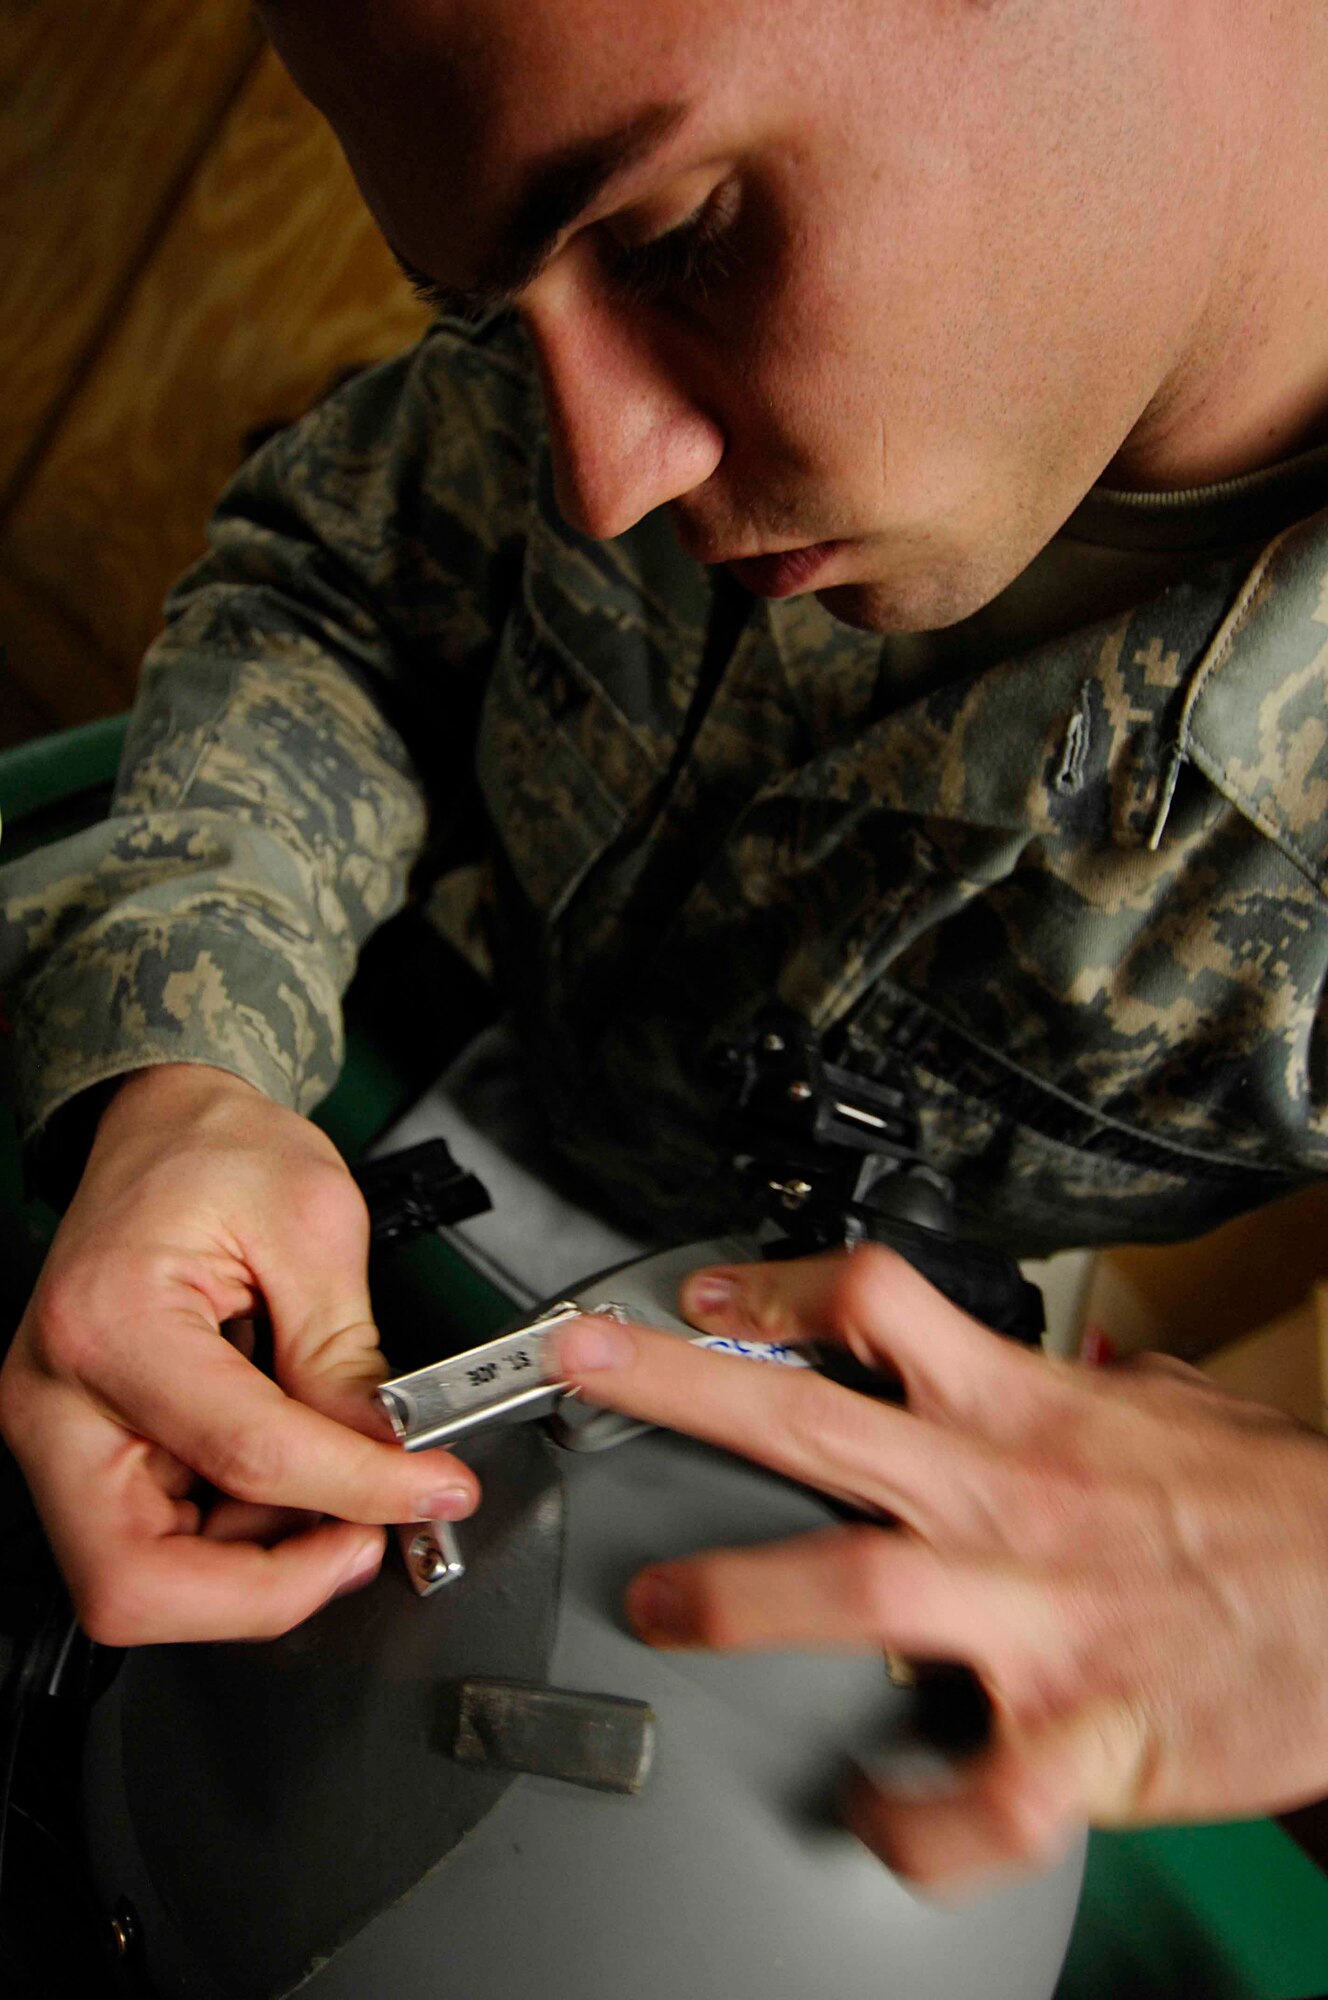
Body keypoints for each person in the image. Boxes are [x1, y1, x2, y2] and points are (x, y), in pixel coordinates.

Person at [2, 0, 1327, 1894]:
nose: (609, 477)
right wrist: (183, 1058)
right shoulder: (618, 289)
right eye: (497, 313)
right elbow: (343, 578)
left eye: (681, 234)